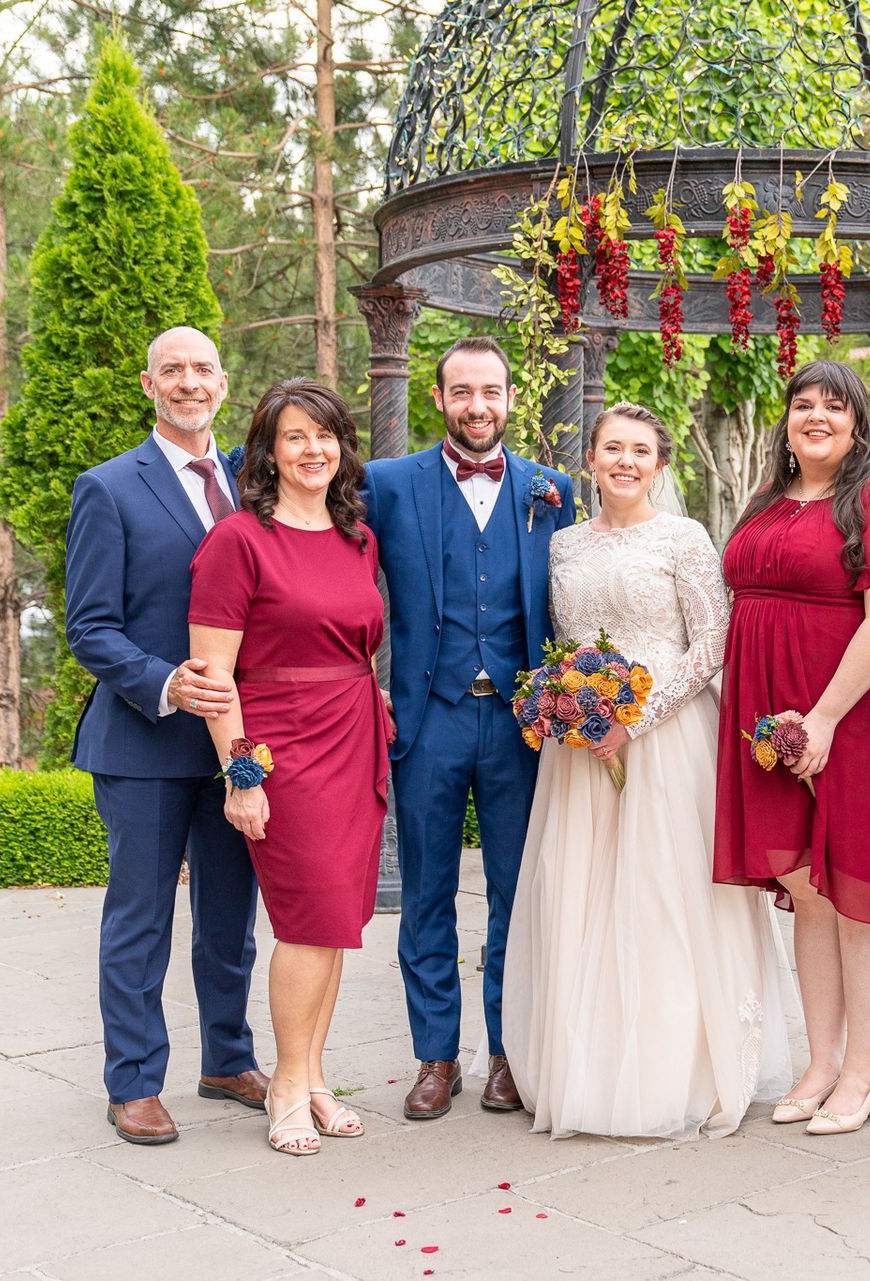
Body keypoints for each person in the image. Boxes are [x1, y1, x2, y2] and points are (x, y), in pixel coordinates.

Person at [504, 404, 792, 1140]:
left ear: (660, 465)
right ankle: (588, 1065)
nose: (625, 461)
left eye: (640, 450)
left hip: (665, 741)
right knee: (581, 893)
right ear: (591, 461)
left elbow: (711, 643)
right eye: (611, 448)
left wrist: (636, 716)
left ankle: (674, 1068)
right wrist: (570, 706)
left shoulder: (684, 539)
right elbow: (561, 642)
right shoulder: (563, 544)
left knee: (663, 895)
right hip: (581, 749)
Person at [714, 360, 870, 1137]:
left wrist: (821, 719)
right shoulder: (768, 500)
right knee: (803, 882)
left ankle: (863, 1071)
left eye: (833, 406)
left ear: (858, 424)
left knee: (858, 886)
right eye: (803, 403)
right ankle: (820, 1061)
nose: (815, 416)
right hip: (767, 719)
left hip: (855, 713)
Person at [362, 336, 577, 1119]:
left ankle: (508, 1051)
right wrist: (365, 681)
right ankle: (435, 1056)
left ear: (510, 398)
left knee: (518, 895)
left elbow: (571, 602)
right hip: (428, 718)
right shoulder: (386, 485)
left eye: (490, 391)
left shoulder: (553, 490)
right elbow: (344, 580)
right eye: (462, 391)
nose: (476, 405)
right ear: (439, 397)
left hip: (522, 727)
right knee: (425, 892)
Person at [64, 325, 265, 1146]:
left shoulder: (256, 483)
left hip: (236, 745)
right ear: (149, 385)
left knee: (231, 916)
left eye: (203, 369)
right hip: (144, 742)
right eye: (173, 371)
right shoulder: (108, 488)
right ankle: (135, 1081)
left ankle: (228, 1058)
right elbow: (90, 627)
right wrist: (165, 681)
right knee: (141, 917)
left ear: (224, 383)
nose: (190, 383)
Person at [188, 379, 391, 1156]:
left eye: (326, 434)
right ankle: (283, 1083)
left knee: (336, 920)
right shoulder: (238, 540)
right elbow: (212, 675)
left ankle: (311, 1077)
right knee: (305, 921)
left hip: (353, 737)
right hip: (282, 745)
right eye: (296, 436)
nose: (314, 449)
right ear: (268, 451)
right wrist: (243, 777)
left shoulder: (357, 538)